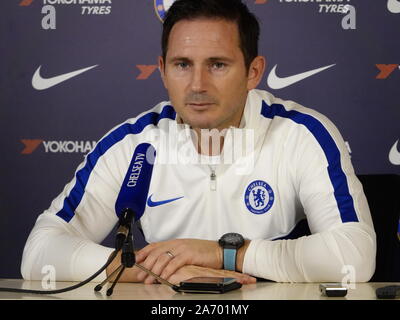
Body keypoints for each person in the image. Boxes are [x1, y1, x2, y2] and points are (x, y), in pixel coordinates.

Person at [21, 0, 376, 285]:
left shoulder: (302, 134)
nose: (197, 84)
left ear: (253, 71)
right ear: (162, 70)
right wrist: (150, 269)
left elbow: (355, 255)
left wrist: (224, 253)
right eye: (182, 65)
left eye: (217, 65)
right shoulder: (134, 144)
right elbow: (40, 251)